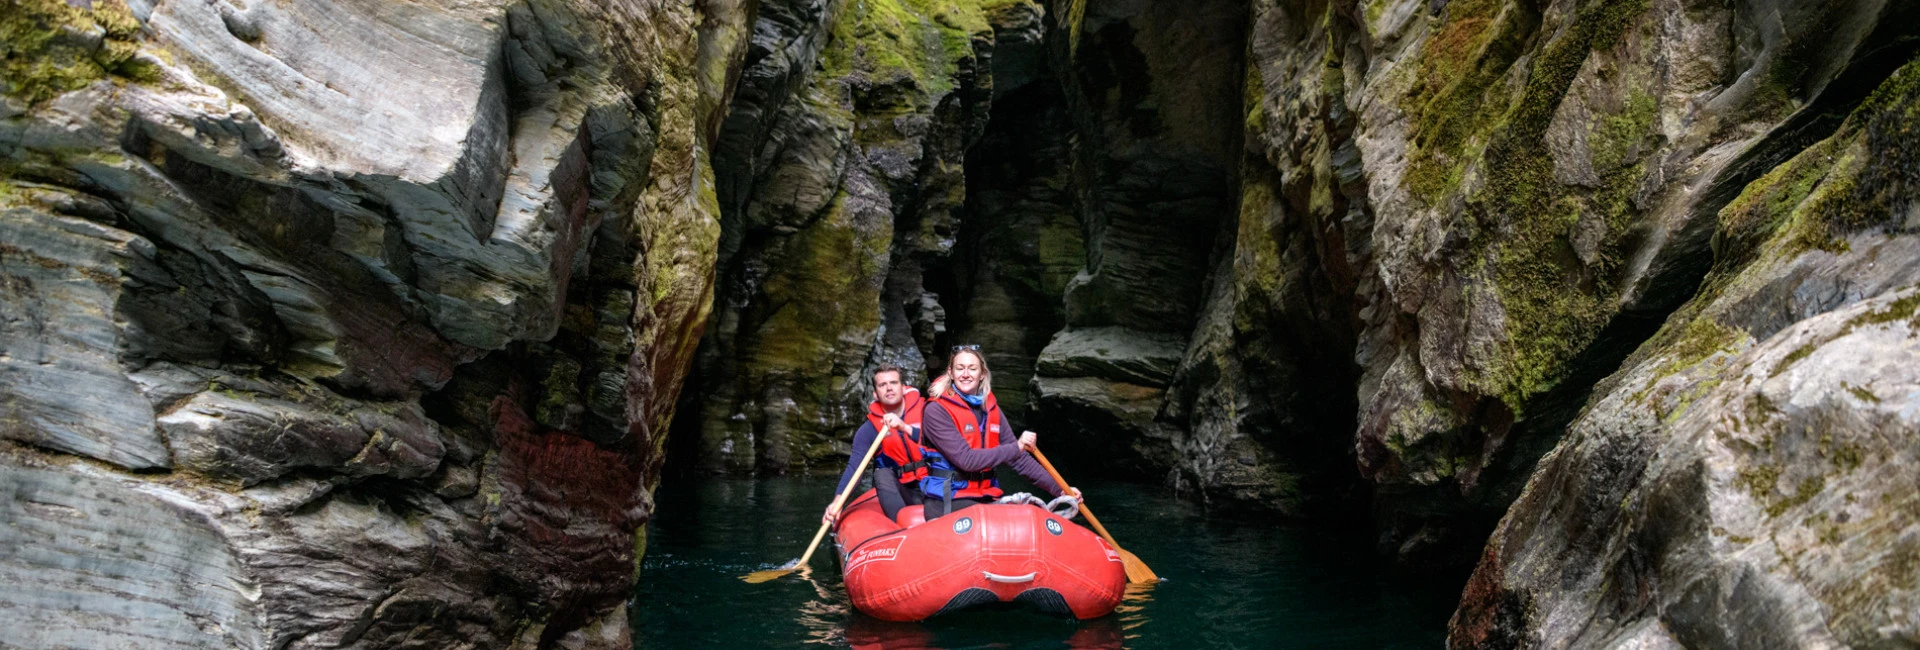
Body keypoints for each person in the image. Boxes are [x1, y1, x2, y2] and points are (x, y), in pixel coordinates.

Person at [917, 345, 1077, 518]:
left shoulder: (990, 409)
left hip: (985, 496)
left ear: (982, 374)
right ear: (950, 373)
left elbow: (1019, 459)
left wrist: (1061, 489)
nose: (965, 374)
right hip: (948, 500)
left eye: (972, 368)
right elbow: (967, 461)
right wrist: (1017, 447)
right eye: (960, 368)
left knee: (1027, 515)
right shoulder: (936, 411)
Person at [825, 364, 928, 525]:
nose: (889, 388)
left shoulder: (928, 411)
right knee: (881, 474)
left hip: (935, 484)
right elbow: (854, 468)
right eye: (882, 385)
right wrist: (837, 502)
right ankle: (902, 528)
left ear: (903, 387)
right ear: (875, 394)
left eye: (893, 383)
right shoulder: (869, 429)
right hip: (905, 491)